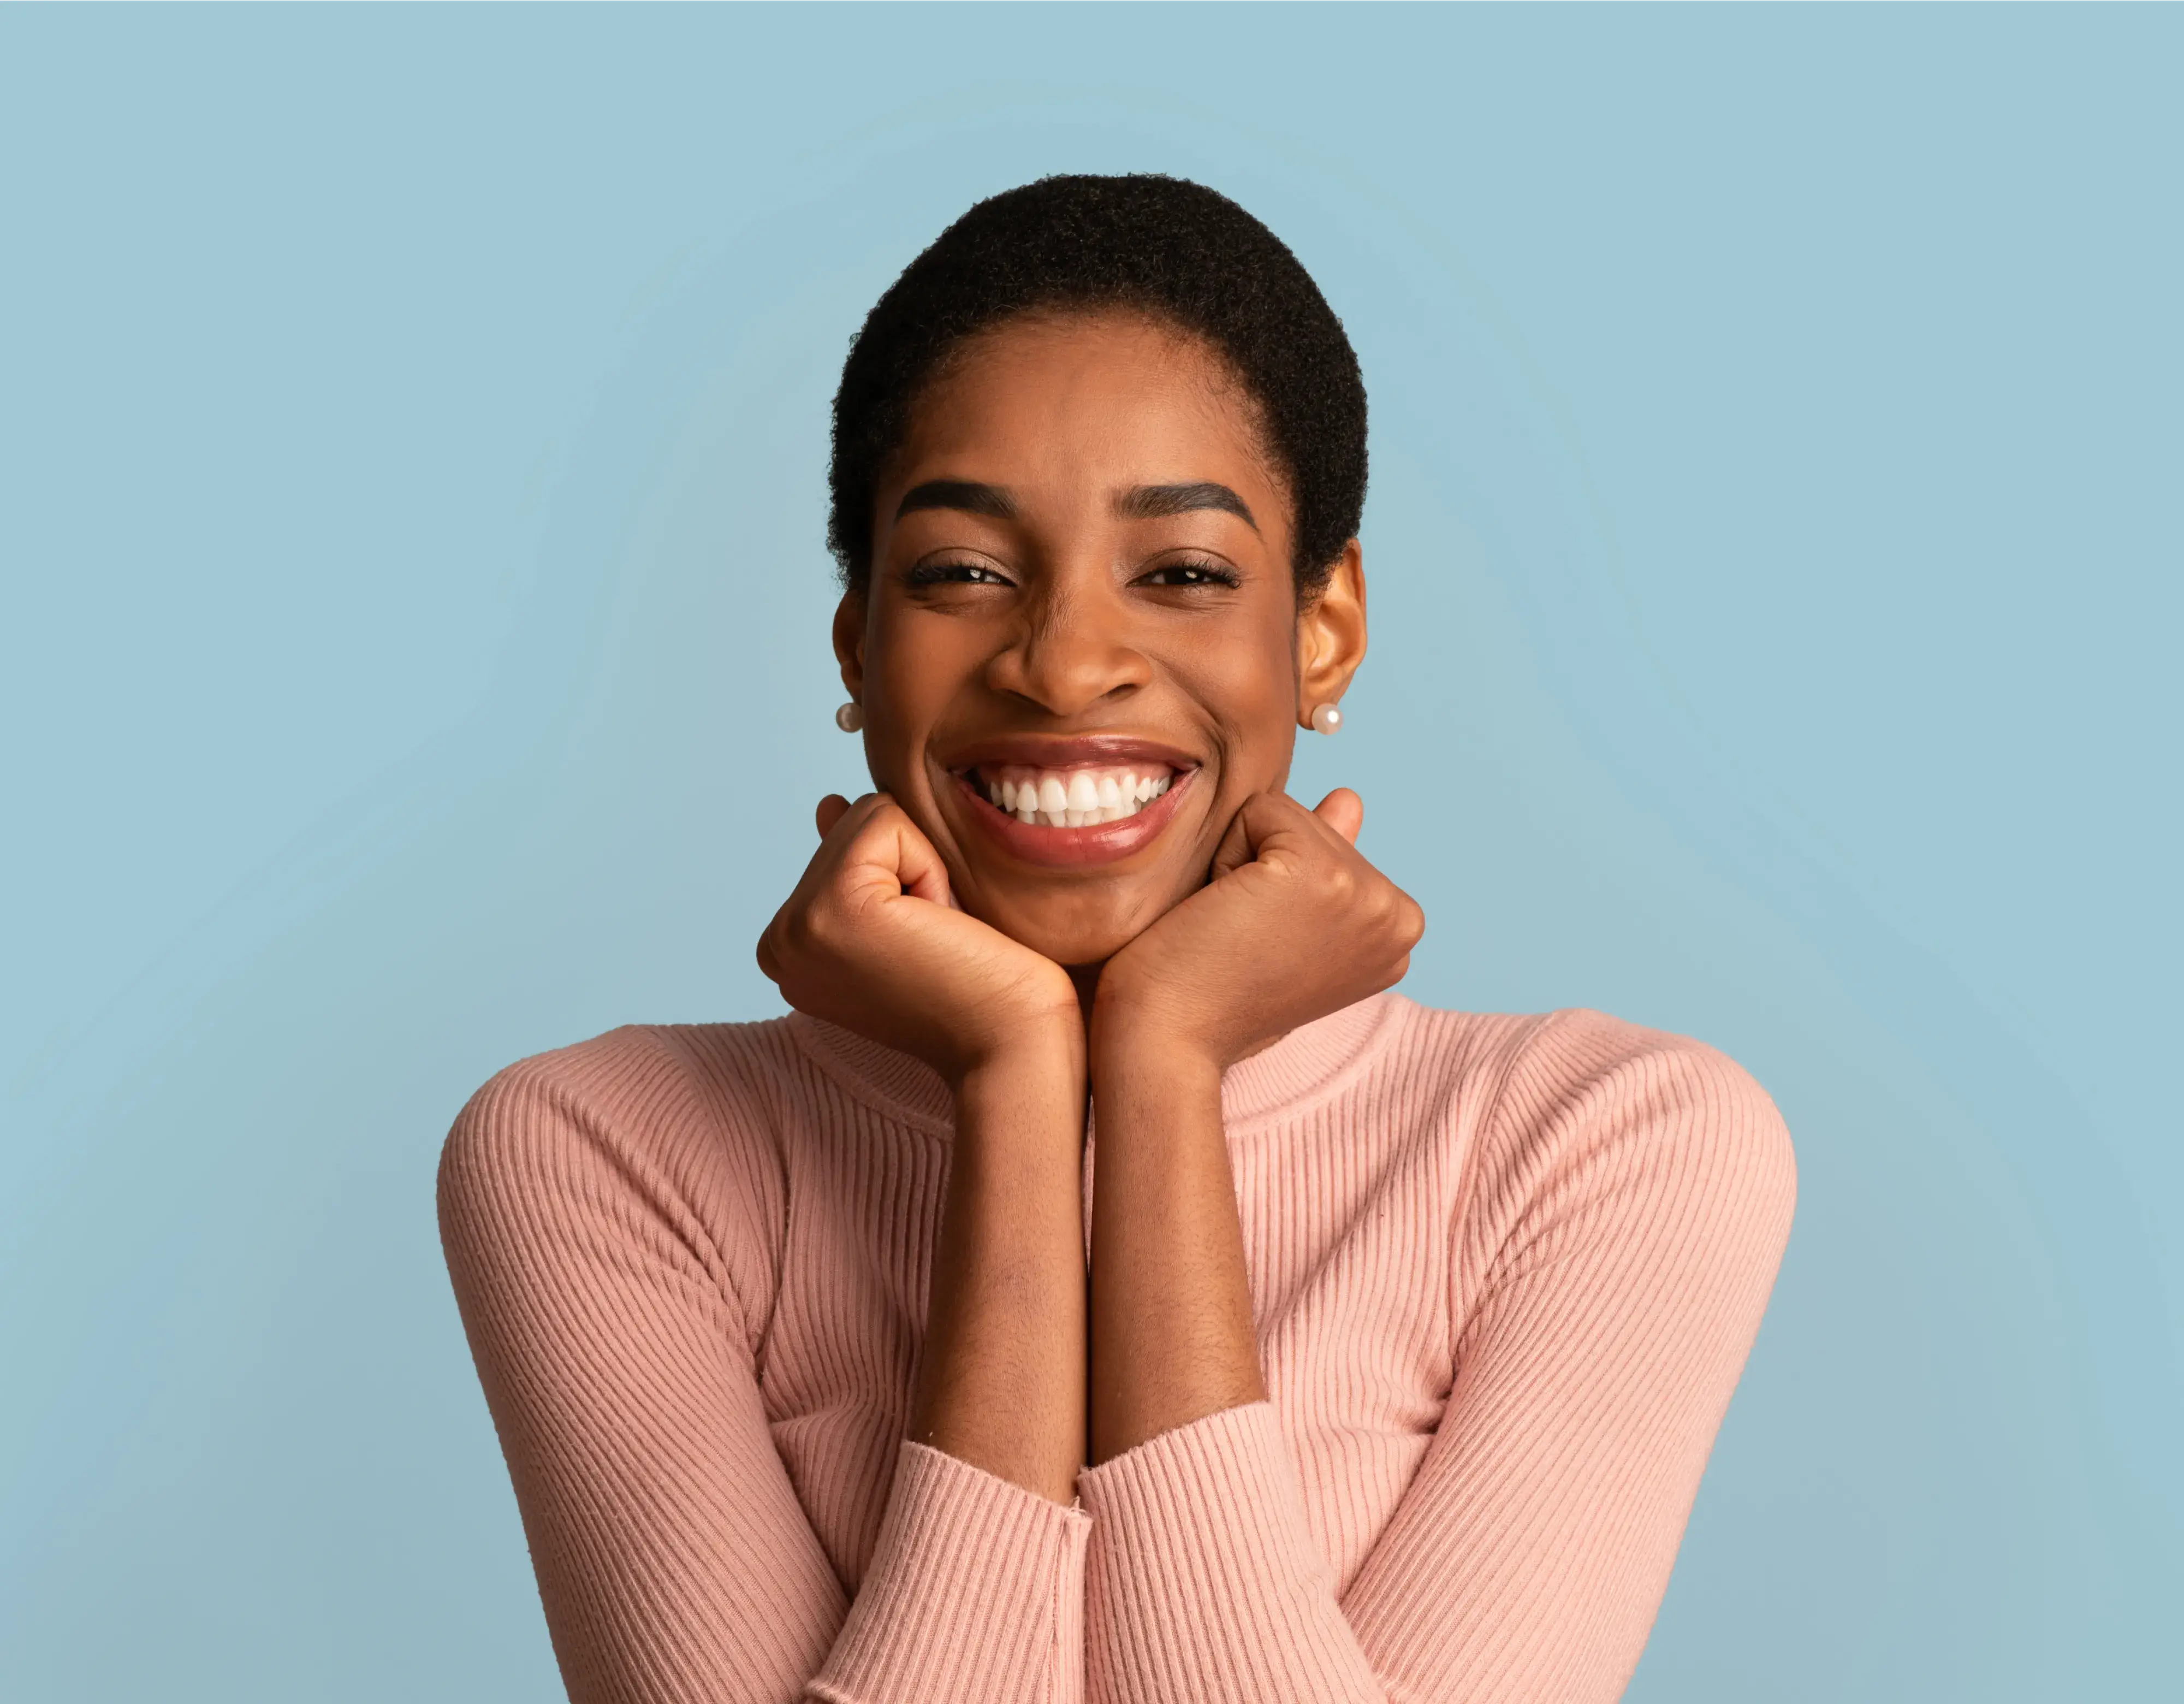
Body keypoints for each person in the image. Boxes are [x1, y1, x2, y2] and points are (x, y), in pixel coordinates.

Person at [437, 173, 1797, 1704]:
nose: (1068, 662)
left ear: (1323, 629)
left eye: (1185, 575)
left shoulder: (1602, 1149)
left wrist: (1159, 1069)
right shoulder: (604, 1155)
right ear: (857, 644)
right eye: (961, 572)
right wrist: (1018, 1084)